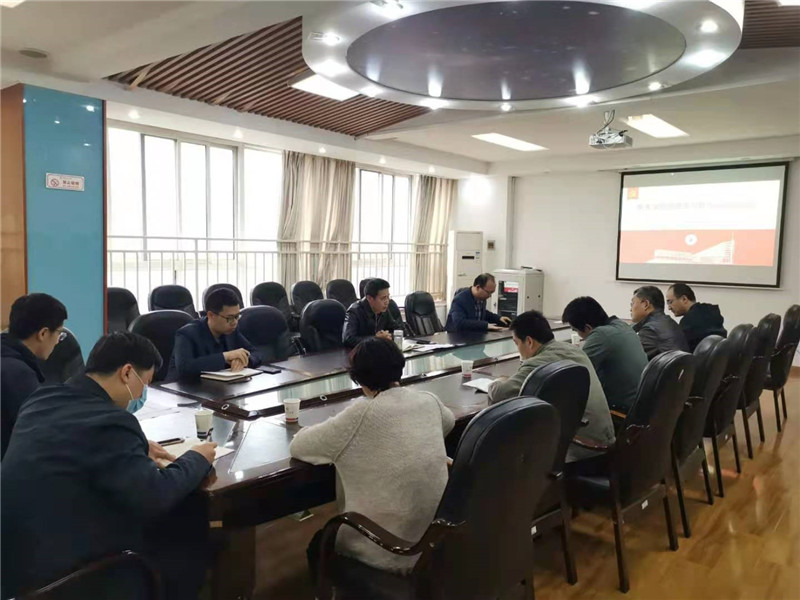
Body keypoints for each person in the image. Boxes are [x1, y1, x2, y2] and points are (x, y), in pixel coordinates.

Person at [1, 332, 216, 600]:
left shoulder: (42, 399)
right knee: (186, 538)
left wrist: (136, 446)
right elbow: (155, 496)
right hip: (67, 579)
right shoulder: (112, 422)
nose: (142, 394)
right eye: (145, 383)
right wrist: (197, 457)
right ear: (127, 373)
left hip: (13, 566)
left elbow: (75, 445)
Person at [291, 338, 454, 576]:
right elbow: (447, 423)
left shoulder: (360, 414)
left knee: (319, 544)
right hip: (435, 537)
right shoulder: (428, 400)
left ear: (358, 378)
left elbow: (299, 446)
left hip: (389, 548)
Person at [487, 310, 615, 462]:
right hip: (606, 441)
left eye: (516, 343)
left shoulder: (537, 363)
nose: (517, 348)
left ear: (529, 342)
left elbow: (500, 393)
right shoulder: (573, 350)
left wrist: (497, 381)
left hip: (580, 448)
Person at [1, 293, 68, 459]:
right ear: (43, 334)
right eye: (59, 334)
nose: (58, 341)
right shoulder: (19, 375)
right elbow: (41, 433)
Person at [562, 296, 648, 413]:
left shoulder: (601, 335)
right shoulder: (621, 325)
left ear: (588, 328)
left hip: (621, 410)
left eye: (575, 330)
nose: (578, 334)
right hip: (641, 403)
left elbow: (573, 373)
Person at [168, 287, 261, 380]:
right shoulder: (187, 334)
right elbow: (185, 367)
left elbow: (256, 353)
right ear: (211, 315)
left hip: (220, 385)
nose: (234, 322)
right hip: (185, 386)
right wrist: (225, 356)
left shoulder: (231, 330)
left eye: (237, 316)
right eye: (229, 318)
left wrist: (243, 360)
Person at [342, 278, 404, 349]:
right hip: (360, 352)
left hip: (378, 350)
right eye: (383, 298)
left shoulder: (383, 309)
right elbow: (348, 339)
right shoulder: (354, 311)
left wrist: (387, 336)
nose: (387, 301)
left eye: (388, 297)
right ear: (369, 298)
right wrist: (375, 338)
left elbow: (397, 329)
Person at [630, 286, 689, 360]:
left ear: (646, 304)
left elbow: (630, 357)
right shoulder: (669, 322)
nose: (631, 309)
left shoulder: (650, 330)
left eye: (632, 303)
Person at [667, 282, 727, 351]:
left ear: (684, 299)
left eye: (670, 302)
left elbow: (678, 350)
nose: (669, 308)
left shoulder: (688, 322)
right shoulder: (712, 312)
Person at [445, 273, 511, 333]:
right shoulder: (460, 299)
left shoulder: (482, 298)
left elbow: (481, 313)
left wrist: (498, 318)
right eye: (488, 292)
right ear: (478, 287)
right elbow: (460, 322)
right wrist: (486, 325)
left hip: (475, 335)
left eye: (492, 292)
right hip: (458, 337)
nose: (490, 296)